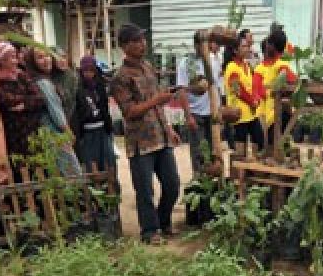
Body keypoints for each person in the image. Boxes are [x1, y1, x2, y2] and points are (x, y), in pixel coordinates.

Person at [110, 23, 183, 243]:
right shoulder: (120, 77)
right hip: (140, 142)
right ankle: (149, 232)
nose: (142, 44)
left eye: (143, 39)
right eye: (136, 41)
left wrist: (169, 128)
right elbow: (129, 111)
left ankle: (163, 222)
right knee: (145, 190)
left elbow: (158, 105)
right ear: (124, 46)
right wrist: (156, 101)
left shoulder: (148, 67)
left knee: (172, 184)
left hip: (160, 136)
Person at [0, 38, 42, 184]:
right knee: (17, 173)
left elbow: (39, 98)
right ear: (1, 60)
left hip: (31, 134)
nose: (15, 60)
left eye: (15, 56)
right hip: (11, 136)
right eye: (11, 57)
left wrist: (24, 104)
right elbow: (6, 101)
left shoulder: (21, 76)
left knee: (37, 171)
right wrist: (26, 100)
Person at [23, 46, 82, 178]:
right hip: (54, 133)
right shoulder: (43, 82)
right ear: (32, 62)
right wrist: (67, 130)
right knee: (72, 174)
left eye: (48, 56)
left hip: (45, 134)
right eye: (40, 57)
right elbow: (55, 111)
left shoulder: (40, 79)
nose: (46, 60)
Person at [176, 31, 222, 174]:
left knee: (214, 149)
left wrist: (220, 109)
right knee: (199, 152)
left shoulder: (214, 60)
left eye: (207, 44)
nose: (205, 48)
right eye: (202, 44)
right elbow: (181, 90)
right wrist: (188, 116)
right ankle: (200, 181)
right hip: (196, 113)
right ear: (196, 45)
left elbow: (218, 86)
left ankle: (213, 181)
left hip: (212, 112)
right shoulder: (187, 63)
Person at [71, 55, 116, 176]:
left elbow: (105, 108)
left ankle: (112, 191)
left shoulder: (100, 85)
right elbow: (77, 112)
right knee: (91, 165)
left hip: (103, 130)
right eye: (85, 70)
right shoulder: (77, 87)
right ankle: (94, 193)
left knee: (108, 162)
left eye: (91, 70)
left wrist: (109, 128)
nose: (88, 73)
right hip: (87, 133)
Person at [223, 28, 264, 153]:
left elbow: (252, 86)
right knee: (240, 151)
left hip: (251, 114)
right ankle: (241, 172)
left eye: (247, 46)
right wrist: (252, 101)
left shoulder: (246, 65)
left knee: (259, 141)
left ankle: (253, 169)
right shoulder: (231, 67)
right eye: (244, 46)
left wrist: (256, 98)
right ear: (235, 50)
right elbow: (237, 90)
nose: (247, 48)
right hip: (238, 115)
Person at [255, 30, 297, 146]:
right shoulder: (274, 65)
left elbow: (292, 82)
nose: (266, 45)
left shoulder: (280, 65)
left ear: (272, 46)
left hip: (276, 116)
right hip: (271, 115)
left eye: (268, 43)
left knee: (274, 148)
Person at [52, 51, 79, 121]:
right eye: (58, 58)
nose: (62, 60)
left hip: (69, 117)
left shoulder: (72, 76)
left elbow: (72, 100)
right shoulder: (50, 75)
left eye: (64, 57)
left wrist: (60, 92)